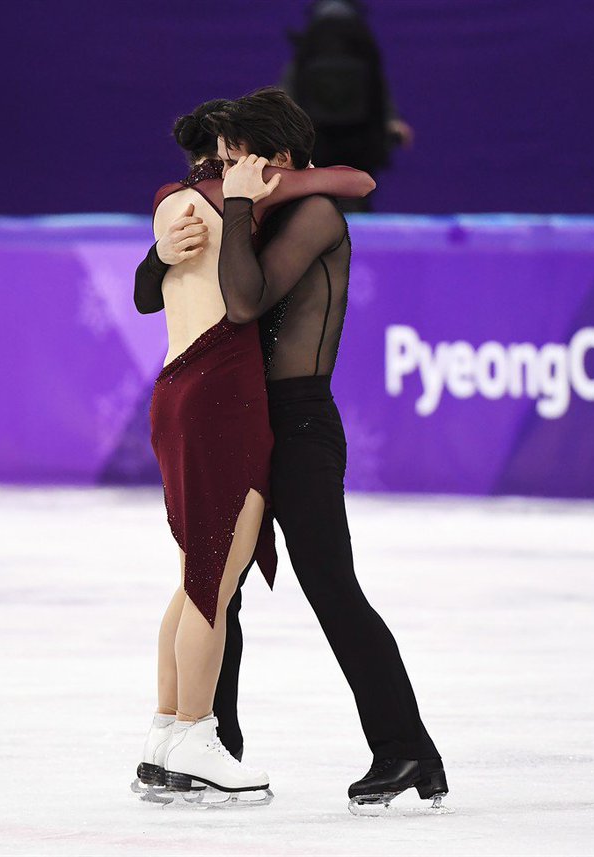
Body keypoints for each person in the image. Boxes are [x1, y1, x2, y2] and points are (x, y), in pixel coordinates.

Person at [135, 88, 447, 814]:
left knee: (329, 585)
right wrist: (158, 254)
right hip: (243, 417)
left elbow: (244, 298)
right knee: (219, 582)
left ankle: (405, 745)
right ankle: (211, 739)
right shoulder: (263, 207)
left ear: (277, 157)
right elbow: (160, 292)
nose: (225, 168)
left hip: (299, 425)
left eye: (238, 156)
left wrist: (238, 209)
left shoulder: (313, 215)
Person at [278, 0, 412, 212]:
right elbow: (376, 84)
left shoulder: (312, 39)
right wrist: (391, 120)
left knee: (315, 198)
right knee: (355, 194)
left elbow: (293, 82)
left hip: (316, 135)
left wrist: (281, 123)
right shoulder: (359, 37)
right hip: (359, 136)